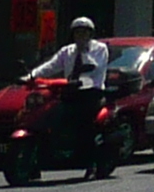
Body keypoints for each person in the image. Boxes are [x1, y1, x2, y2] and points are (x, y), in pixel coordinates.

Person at [24, 17, 112, 162]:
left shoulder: (100, 49)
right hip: (70, 92)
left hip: (91, 93)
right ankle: (41, 156)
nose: (81, 36)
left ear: (90, 34)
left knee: (85, 123)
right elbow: (50, 66)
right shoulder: (67, 51)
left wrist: (84, 61)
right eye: (77, 33)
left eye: (84, 33)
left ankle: (91, 162)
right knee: (49, 113)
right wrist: (31, 76)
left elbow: (97, 68)